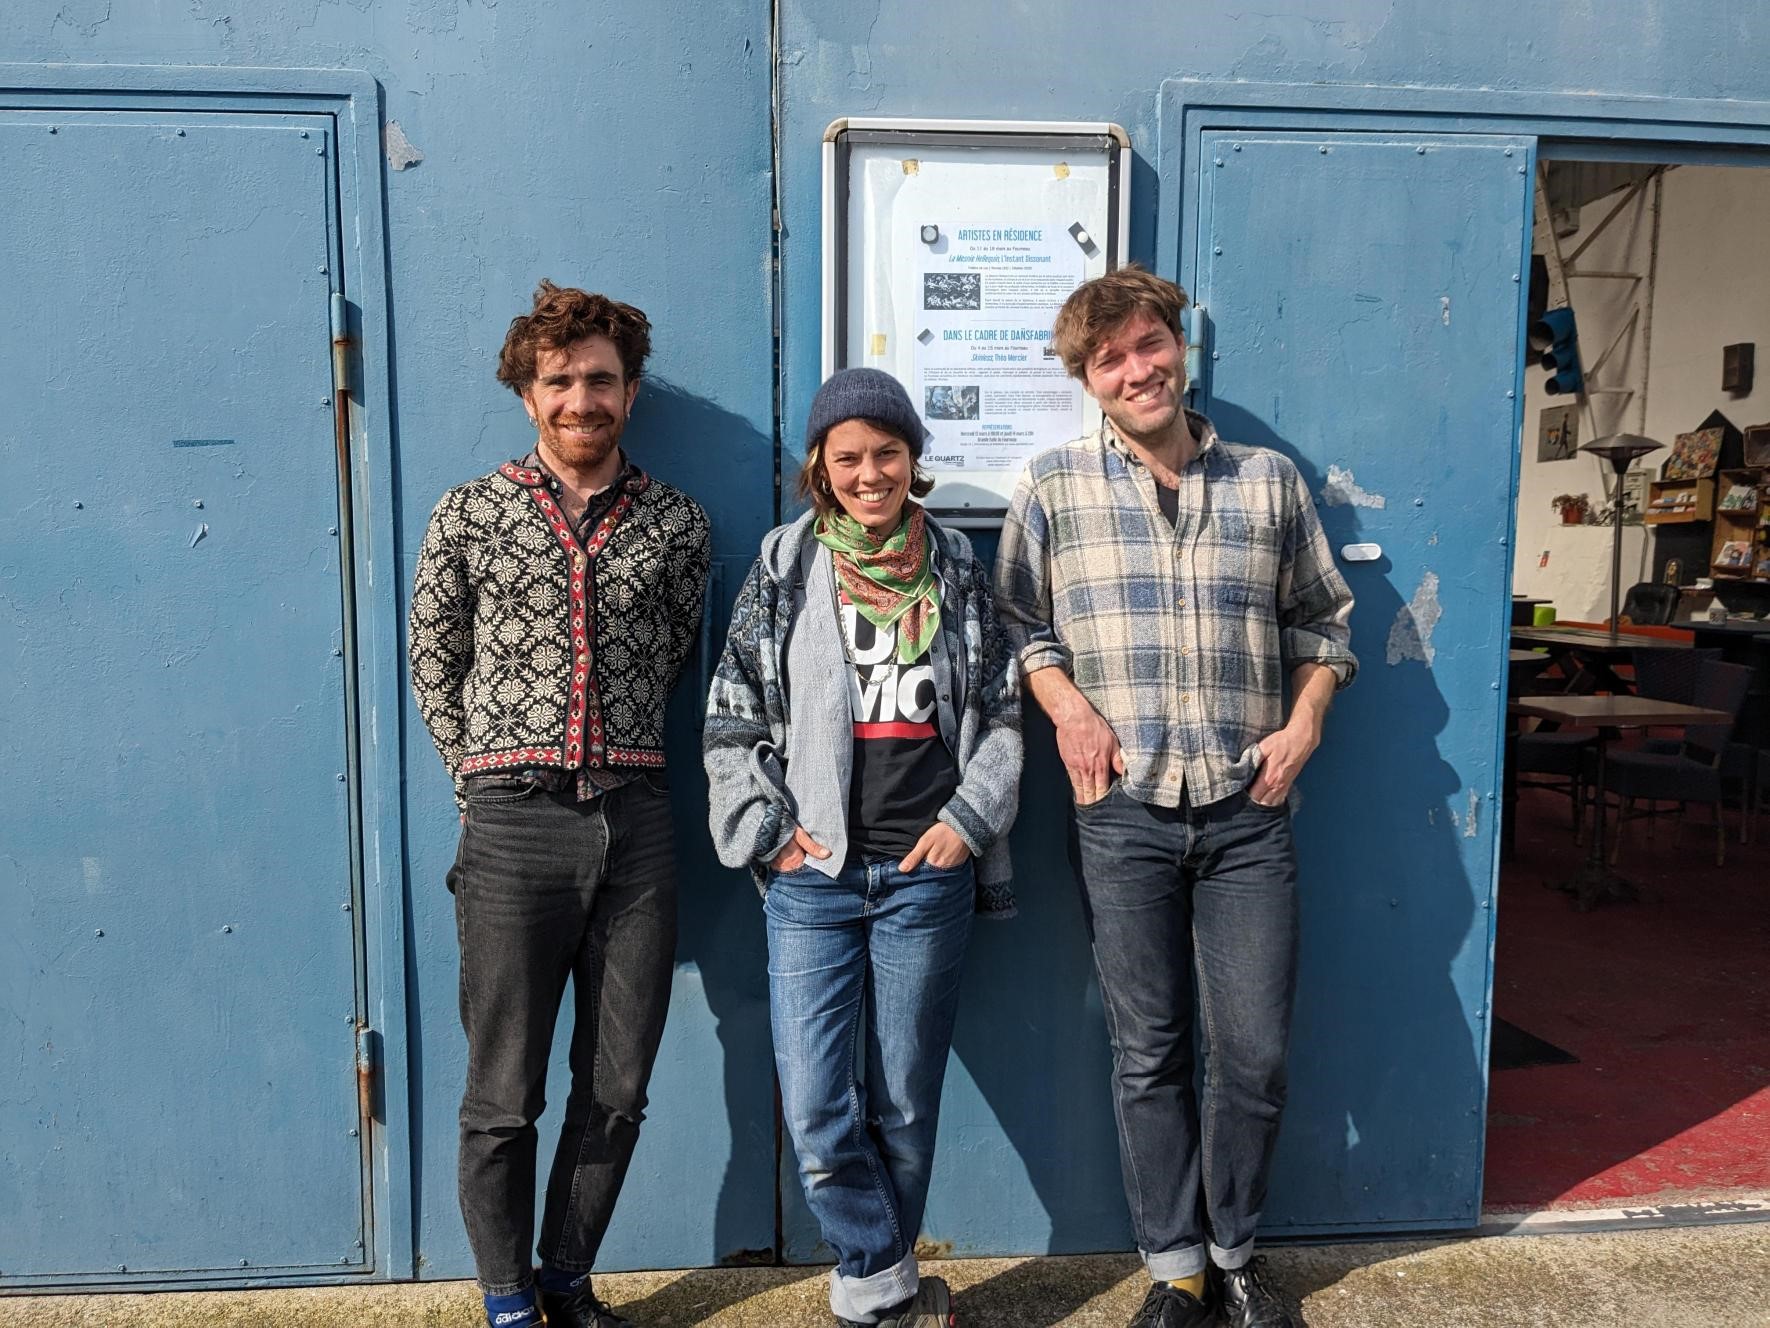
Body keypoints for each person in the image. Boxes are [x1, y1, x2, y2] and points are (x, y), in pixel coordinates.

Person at [994, 267, 1356, 1328]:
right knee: (1147, 1051)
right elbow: (1019, 625)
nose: (1136, 369)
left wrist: (1305, 722)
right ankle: (1175, 1268)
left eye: (1148, 344)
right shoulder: (1051, 487)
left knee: (1254, 1050)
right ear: (1086, 379)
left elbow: (1325, 620)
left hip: (1248, 808)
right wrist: (1067, 706)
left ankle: (1235, 1251)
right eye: (1109, 359)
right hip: (1123, 809)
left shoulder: (1267, 482)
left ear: (1180, 347)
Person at [408, 280, 711, 1328]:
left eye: (601, 380)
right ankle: (507, 1299)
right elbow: (433, 659)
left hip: (638, 821)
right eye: (560, 380)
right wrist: (477, 777)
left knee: (619, 1083)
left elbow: (675, 651)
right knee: (505, 1092)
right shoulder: (469, 513)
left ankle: (567, 1279)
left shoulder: (677, 522)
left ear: (630, 392)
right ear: (528, 393)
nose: (582, 398)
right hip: (512, 824)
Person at [704, 368, 1021, 1328]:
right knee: (816, 1110)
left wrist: (967, 825)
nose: (870, 473)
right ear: (821, 466)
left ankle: (876, 1303)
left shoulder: (956, 565)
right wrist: (769, 836)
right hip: (815, 876)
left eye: (887, 452)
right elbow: (730, 721)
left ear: (913, 459)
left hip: (926, 874)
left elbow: (1003, 712)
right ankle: (887, 1286)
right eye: (849, 457)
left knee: (906, 1106)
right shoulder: (786, 564)